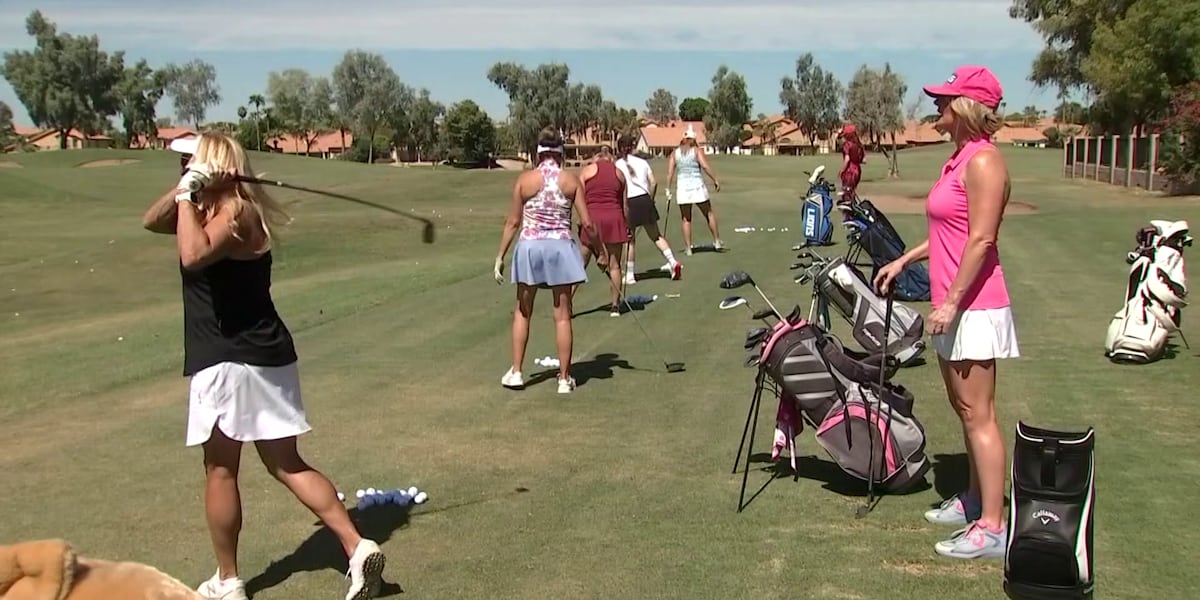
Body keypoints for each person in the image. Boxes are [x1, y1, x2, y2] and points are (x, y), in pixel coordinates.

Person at [141, 132, 386, 600]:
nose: (180, 171)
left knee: (221, 470)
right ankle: (357, 548)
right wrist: (186, 189)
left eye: (188, 163)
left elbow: (191, 256)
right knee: (285, 463)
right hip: (265, 357)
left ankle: (228, 580)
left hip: (227, 359)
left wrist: (192, 194)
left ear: (212, 164)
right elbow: (151, 222)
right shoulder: (208, 206)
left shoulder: (235, 213)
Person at [873, 65, 1019, 560]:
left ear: (968, 107)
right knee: (965, 411)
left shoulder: (984, 162)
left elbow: (982, 240)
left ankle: (993, 526)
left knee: (980, 415)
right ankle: (977, 500)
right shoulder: (959, 160)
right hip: (953, 305)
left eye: (946, 99)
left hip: (974, 307)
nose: (937, 105)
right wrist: (903, 259)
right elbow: (946, 234)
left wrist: (953, 301)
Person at [493, 127, 604, 394]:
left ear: (538, 152)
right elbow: (587, 223)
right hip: (560, 248)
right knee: (563, 315)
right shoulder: (571, 180)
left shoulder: (525, 180)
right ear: (560, 152)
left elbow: (513, 222)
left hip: (530, 247)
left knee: (523, 310)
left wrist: (500, 256)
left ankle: (517, 372)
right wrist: (600, 251)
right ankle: (564, 380)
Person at [614, 135, 682, 284]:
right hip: (645, 199)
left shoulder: (617, 165)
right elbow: (653, 183)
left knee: (629, 241)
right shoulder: (642, 162)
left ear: (619, 148)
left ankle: (630, 274)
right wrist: (650, 200)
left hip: (629, 202)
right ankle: (673, 262)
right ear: (632, 147)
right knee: (656, 236)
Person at [576, 144, 630, 316]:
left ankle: (566, 304)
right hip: (614, 220)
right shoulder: (619, 174)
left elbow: (579, 199)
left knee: (579, 266)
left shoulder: (587, 171)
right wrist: (627, 225)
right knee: (615, 266)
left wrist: (579, 223)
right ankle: (615, 306)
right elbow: (625, 205)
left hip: (592, 220)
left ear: (597, 158)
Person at [666, 125, 724, 254]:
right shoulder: (696, 151)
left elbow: (670, 173)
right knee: (708, 213)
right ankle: (717, 241)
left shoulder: (675, 153)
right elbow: (704, 166)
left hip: (683, 189)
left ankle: (688, 248)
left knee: (686, 218)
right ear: (693, 139)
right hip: (697, 187)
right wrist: (715, 179)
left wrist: (668, 189)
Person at [838, 123, 865, 205]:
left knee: (847, 195)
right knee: (851, 192)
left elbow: (847, 159)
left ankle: (850, 215)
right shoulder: (859, 145)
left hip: (850, 171)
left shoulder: (847, 144)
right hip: (857, 170)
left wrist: (842, 170)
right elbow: (863, 160)